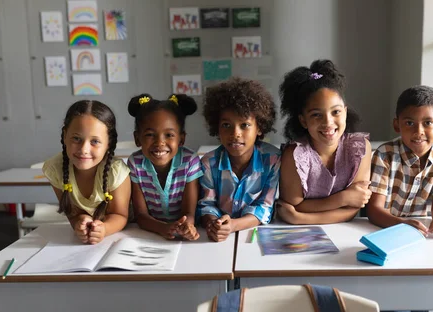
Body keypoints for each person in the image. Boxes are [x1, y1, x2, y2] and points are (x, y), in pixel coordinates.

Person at [30, 100, 137, 312]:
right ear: (64, 135)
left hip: (120, 241)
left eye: (94, 141)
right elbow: (71, 210)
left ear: (109, 143)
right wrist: (80, 221)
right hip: (78, 248)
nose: (83, 148)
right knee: (55, 307)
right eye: (76, 138)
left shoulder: (117, 170)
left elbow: (121, 215)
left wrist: (103, 228)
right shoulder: (54, 168)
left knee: (123, 310)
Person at [366, 85, 433, 312]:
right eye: (410, 123)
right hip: (387, 237)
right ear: (397, 125)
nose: (419, 132)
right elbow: (374, 211)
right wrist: (402, 223)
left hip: (422, 243)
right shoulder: (385, 154)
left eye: (428, 123)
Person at [277, 59, 372, 224]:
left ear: (345, 112)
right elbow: (293, 205)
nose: (328, 122)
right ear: (303, 120)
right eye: (316, 114)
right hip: (299, 235)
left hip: (344, 235)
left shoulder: (360, 148)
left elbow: (353, 209)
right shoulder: (294, 155)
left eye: (336, 112)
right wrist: (343, 198)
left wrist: (300, 218)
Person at [198, 78, 281, 242]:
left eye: (244, 125)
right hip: (219, 240)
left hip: (251, 235)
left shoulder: (272, 159)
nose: (235, 133)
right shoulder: (208, 162)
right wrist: (214, 224)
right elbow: (206, 205)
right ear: (217, 127)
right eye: (226, 125)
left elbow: (265, 207)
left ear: (260, 127)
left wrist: (234, 225)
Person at [127, 93, 202, 240]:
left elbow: (189, 212)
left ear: (182, 139)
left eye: (169, 135)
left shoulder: (190, 162)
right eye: (150, 135)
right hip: (151, 234)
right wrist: (163, 228)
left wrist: (187, 226)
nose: (160, 143)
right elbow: (141, 216)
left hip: (183, 232)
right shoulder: (135, 163)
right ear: (137, 138)